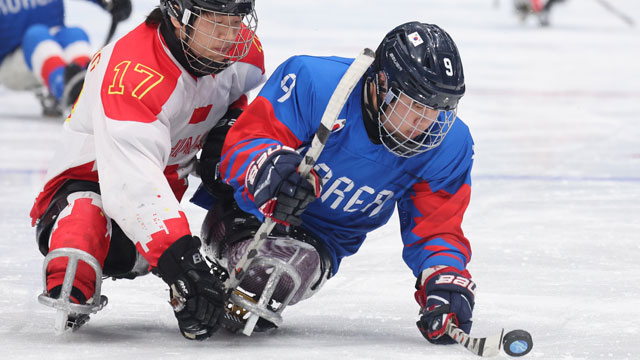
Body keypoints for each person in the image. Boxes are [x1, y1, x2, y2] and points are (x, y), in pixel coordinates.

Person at [194, 21, 477, 344]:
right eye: (414, 105)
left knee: (277, 275)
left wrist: (443, 279)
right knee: (262, 272)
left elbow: (437, 229)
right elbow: (244, 143)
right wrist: (274, 171)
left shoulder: (450, 144)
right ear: (381, 84)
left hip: (321, 242)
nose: (426, 123)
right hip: (255, 210)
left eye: (438, 108)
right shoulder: (315, 81)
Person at [30, 0, 265, 340]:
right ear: (179, 19)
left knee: (246, 167)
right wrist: (182, 261)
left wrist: (231, 127)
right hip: (87, 189)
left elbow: (240, 96)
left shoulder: (242, 52)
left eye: (237, 21)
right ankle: (73, 278)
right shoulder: (134, 72)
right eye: (216, 22)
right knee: (82, 222)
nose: (231, 35)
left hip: (158, 204)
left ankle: (239, 262)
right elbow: (132, 183)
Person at [0, 0, 132, 116]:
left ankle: (85, 85)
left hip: (55, 45)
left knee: (75, 34)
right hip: (11, 64)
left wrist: (111, 2)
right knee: (36, 35)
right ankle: (67, 90)